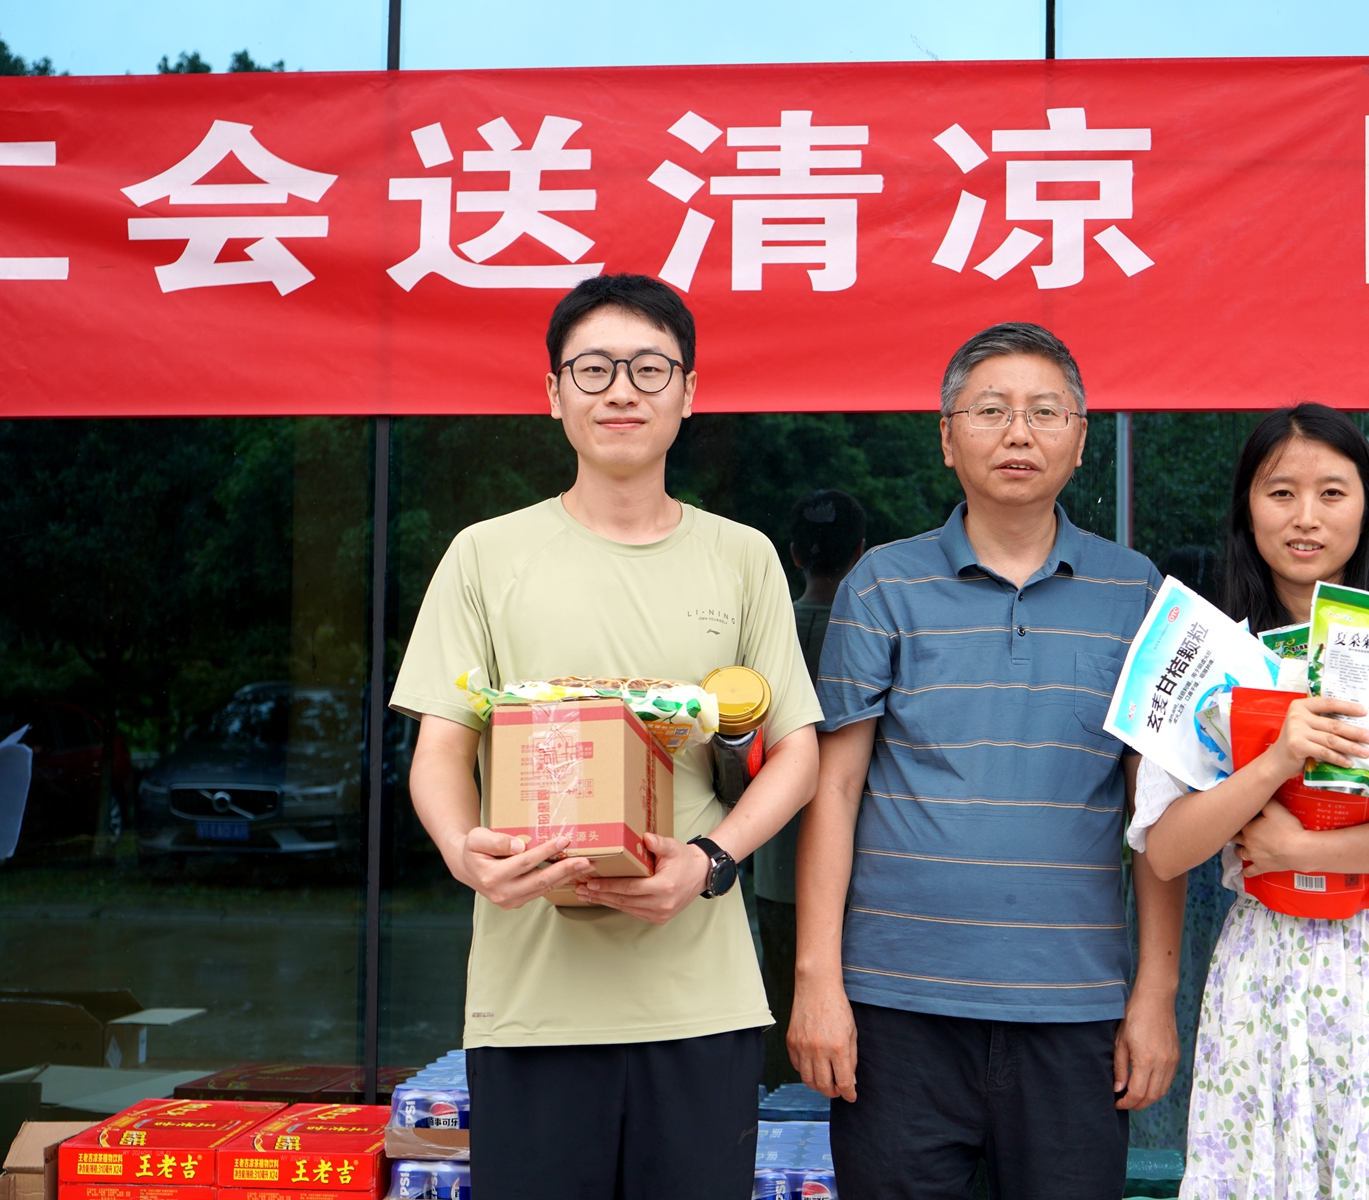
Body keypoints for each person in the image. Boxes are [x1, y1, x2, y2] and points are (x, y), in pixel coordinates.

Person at [390, 274, 823, 1200]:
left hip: (699, 998)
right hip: (531, 1001)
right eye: (593, 369)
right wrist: (467, 855)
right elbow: (440, 749)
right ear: (553, 394)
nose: (621, 390)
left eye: (648, 369)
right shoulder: (485, 555)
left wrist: (709, 860)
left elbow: (797, 751)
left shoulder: (741, 556)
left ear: (688, 392)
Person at [792, 323, 1188, 1200]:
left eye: (1046, 412)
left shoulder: (1135, 592)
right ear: (947, 437)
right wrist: (818, 980)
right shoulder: (882, 585)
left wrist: (1155, 994)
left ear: (1080, 441)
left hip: (1074, 1010)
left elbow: (1155, 813)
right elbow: (836, 789)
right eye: (991, 410)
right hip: (897, 1007)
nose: (1018, 433)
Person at [1132, 403, 1369, 1199]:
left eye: (1332, 493)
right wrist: (1275, 759)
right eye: (1281, 492)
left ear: (1367, 508)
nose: (1305, 517)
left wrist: (1307, 850)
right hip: (1265, 963)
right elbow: (1166, 851)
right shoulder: (1211, 660)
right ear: (1248, 507)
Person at [755, 488, 867, 1087]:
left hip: (774, 865)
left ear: (795, 554)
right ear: (860, 552)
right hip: (855, 868)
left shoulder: (766, 639)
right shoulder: (868, 635)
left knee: (780, 1018)